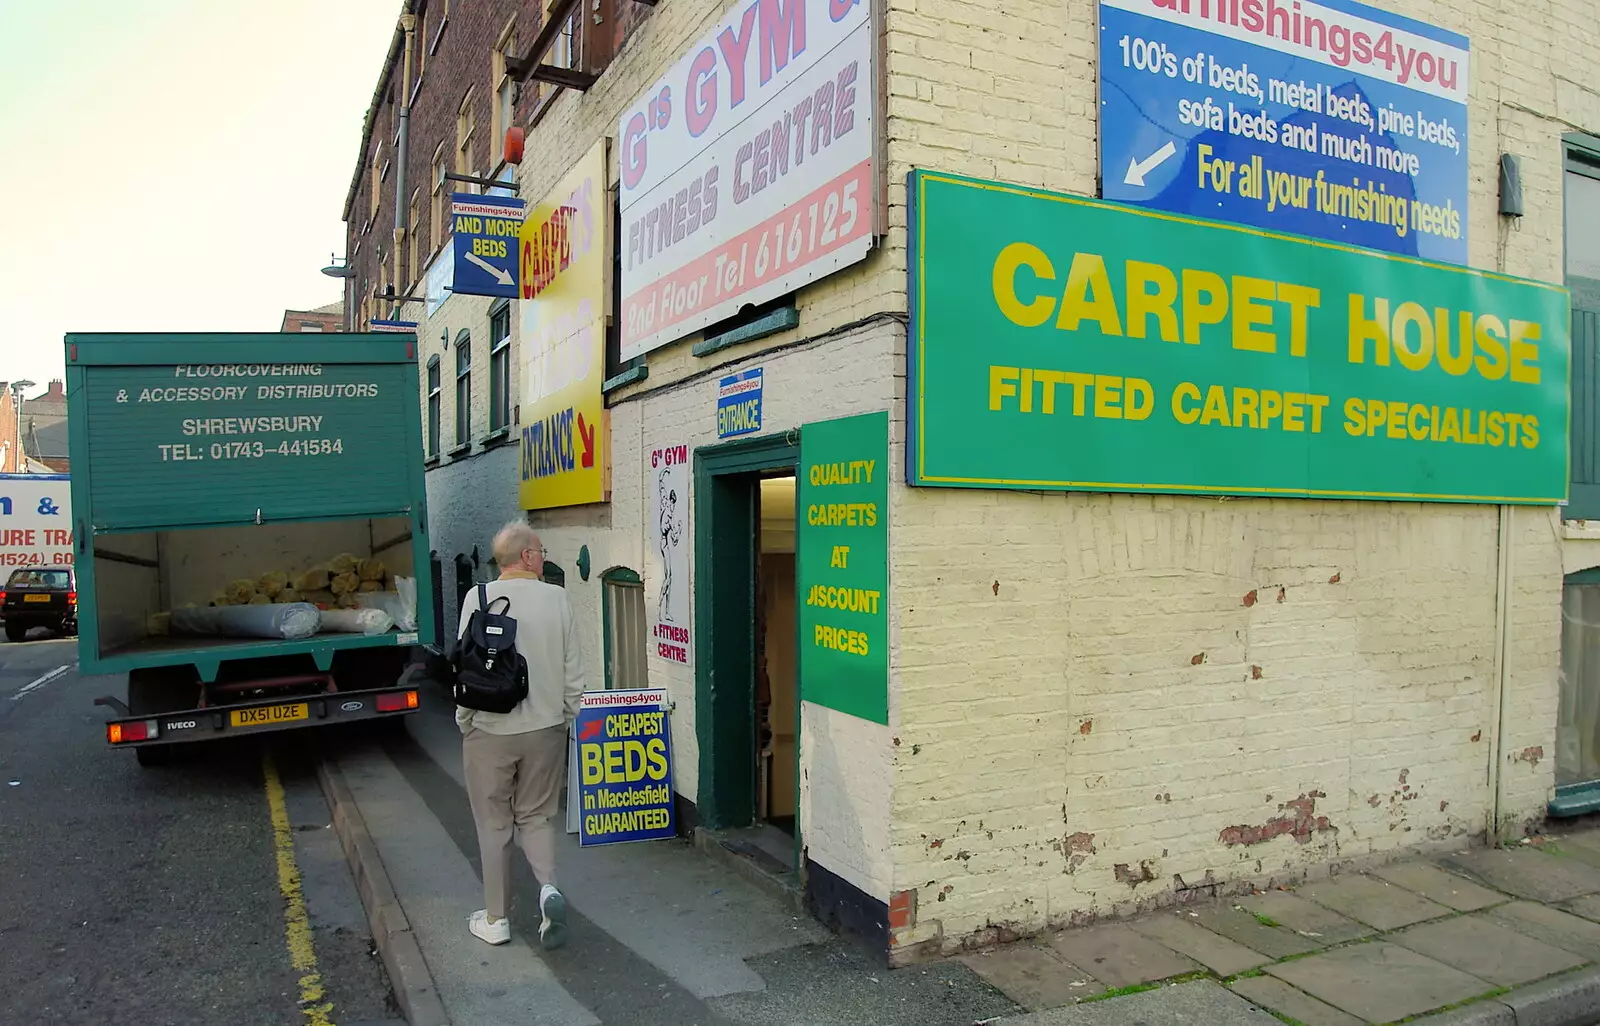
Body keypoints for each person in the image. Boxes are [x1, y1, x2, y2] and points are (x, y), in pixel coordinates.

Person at [457, 520, 585, 950]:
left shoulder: (477, 598)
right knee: (536, 816)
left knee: (494, 825)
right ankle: (548, 890)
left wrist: (465, 719)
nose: (544, 556)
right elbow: (573, 669)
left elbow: (465, 666)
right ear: (527, 557)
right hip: (545, 728)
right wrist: (566, 715)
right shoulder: (558, 598)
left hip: (491, 728)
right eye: (541, 550)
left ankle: (496, 919)